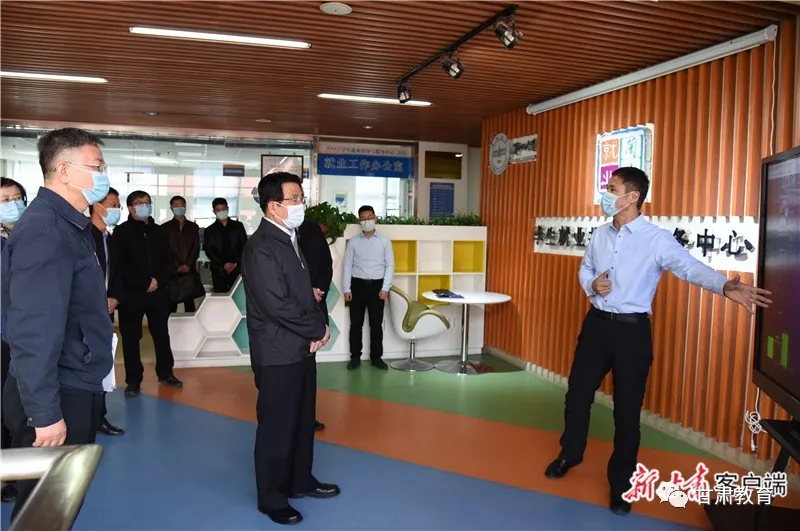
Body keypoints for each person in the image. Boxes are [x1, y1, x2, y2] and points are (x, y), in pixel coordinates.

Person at [544, 167, 772, 515]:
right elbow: (585, 268)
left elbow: (689, 267)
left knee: (627, 412)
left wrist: (725, 286)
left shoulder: (656, 239)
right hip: (596, 326)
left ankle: (621, 485)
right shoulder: (600, 234)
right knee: (577, 395)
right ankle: (570, 454)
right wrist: (592, 284)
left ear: (632, 196)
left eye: (612, 188)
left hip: (632, 333)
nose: (606, 194)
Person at [0, 128, 113, 522]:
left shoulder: (67, 225)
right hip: (57, 390)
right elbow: (33, 330)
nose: (102, 176)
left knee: (58, 504)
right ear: (64, 170)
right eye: (96, 167)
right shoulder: (46, 231)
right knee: (45, 509)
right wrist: (44, 413)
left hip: (72, 378)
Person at [241, 172, 338, 526]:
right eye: (294, 199)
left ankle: (300, 480)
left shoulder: (290, 238)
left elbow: (305, 294)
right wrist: (318, 328)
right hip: (277, 352)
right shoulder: (261, 247)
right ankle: (272, 497)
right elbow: (276, 305)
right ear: (273, 206)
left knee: (301, 419)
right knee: (277, 427)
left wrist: (317, 326)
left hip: (300, 348)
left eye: (301, 197)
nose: (301, 204)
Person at [113, 191, 182, 397]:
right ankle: (133, 380)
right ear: (130, 208)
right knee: (131, 338)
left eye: (147, 202)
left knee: (161, 335)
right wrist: (144, 283)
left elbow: (169, 261)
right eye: (139, 203)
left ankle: (166, 373)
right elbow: (119, 265)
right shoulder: (121, 232)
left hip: (158, 293)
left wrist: (158, 280)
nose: (144, 206)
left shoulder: (159, 231)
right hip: (132, 295)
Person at [88, 187, 125, 436]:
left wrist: (115, 298)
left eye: (117, 205)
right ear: (96, 206)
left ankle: (99, 416)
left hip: (106, 309)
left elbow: (117, 273)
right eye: (112, 204)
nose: (116, 209)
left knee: (103, 362)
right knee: (86, 363)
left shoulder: (110, 239)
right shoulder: (83, 236)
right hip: (86, 312)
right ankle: (87, 417)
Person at [342, 205, 394, 371]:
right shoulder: (354, 242)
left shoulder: (385, 241)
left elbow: (390, 265)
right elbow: (347, 265)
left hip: (377, 287)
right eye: (363, 219)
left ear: (375, 218)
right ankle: (355, 357)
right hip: (357, 286)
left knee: (376, 325)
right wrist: (346, 289)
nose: (367, 221)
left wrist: (385, 288)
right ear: (359, 221)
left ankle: (376, 358)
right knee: (356, 325)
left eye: (369, 217)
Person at [0, 177, 26, 504]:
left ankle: (14, 469)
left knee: (16, 408)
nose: (13, 204)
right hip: (2, 334)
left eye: (17, 197)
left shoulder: (28, 236)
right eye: (5, 199)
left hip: (23, 335)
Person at [297, 207, 333, 432]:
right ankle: (291, 418)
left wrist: (318, 291)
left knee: (308, 367)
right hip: (288, 312)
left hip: (313, 306)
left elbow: (326, 264)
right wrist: (304, 291)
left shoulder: (311, 229)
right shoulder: (273, 236)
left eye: (299, 199)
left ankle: (307, 417)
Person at [162, 195, 201, 313]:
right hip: (172, 270)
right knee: (171, 303)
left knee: (190, 304)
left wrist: (188, 264)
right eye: (176, 205)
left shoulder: (193, 227)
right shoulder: (165, 228)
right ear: (171, 208)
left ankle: (191, 324)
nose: (179, 208)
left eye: (182, 205)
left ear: (185, 207)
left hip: (189, 270)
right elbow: (165, 250)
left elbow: (196, 248)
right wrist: (177, 265)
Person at [202, 197, 247, 293]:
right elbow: (209, 250)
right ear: (214, 211)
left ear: (228, 209)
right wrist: (223, 264)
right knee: (220, 296)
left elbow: (244, 246)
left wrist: (235, 263)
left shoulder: (238, 226)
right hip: (219, 270)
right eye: (218, 210)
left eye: (223, 209)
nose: (221, 212)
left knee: (237, 295)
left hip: (237, 268)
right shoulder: (209, 230)